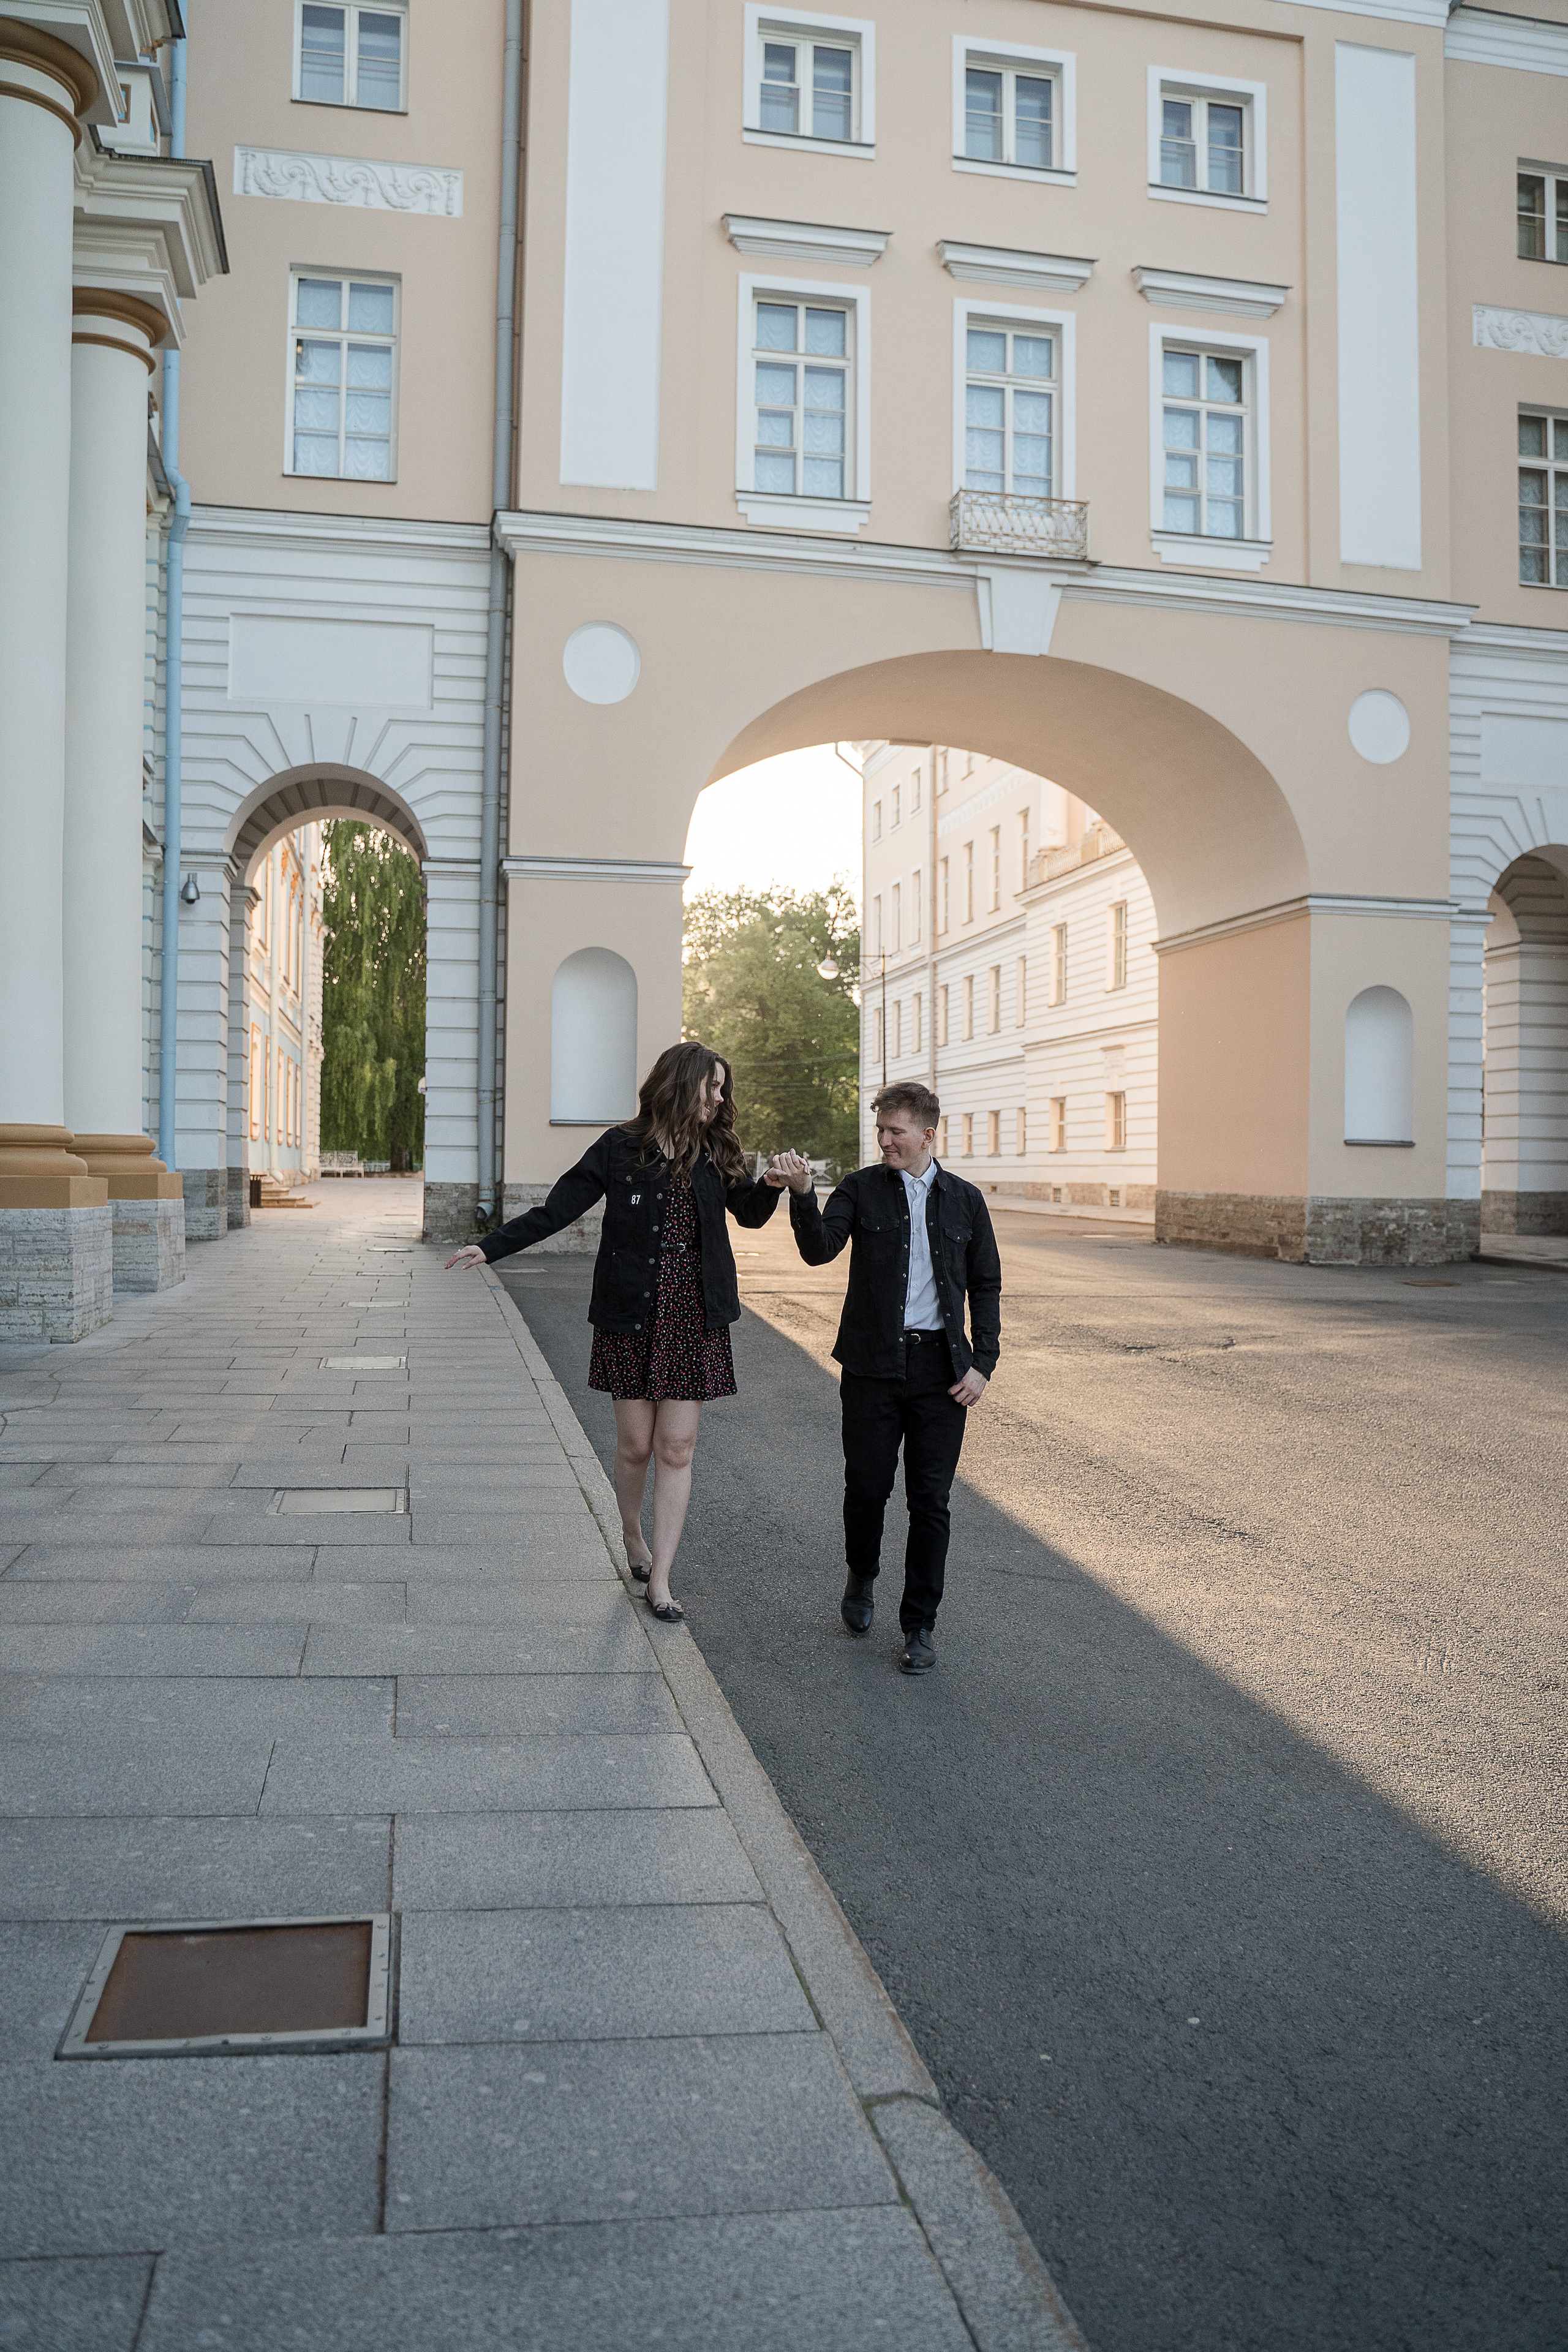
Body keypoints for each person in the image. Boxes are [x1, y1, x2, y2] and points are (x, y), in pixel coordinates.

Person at [446, 1041, 779, 1622]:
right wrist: (491, 1246)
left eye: (724, 1089)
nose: (722, 1098)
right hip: (631, 1313)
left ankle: (664, 1580)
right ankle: (632, 1535)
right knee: (637, 1447)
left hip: (692, 1318)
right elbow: (557, 1210)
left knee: (677, 1449)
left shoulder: (717, 1149)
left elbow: (748, 1212)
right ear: (685, 1084)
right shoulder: (619, 1147)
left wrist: (774, 1184)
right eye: (714, 1087)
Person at [766, 1082, 1000, 1675]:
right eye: (881, 1131)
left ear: (927, 1135)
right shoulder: (860, 1189)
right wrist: (801, 1194)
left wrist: (982, 1364)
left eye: (895, 1131)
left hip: (941, 1374)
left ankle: (919, 1625)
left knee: (931, 1504)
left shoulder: (964, 1201)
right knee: (867, 1489)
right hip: (871, 1367)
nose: (884, 1141)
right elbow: (818, 1250)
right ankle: (861, 1575)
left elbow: (985, 1285)